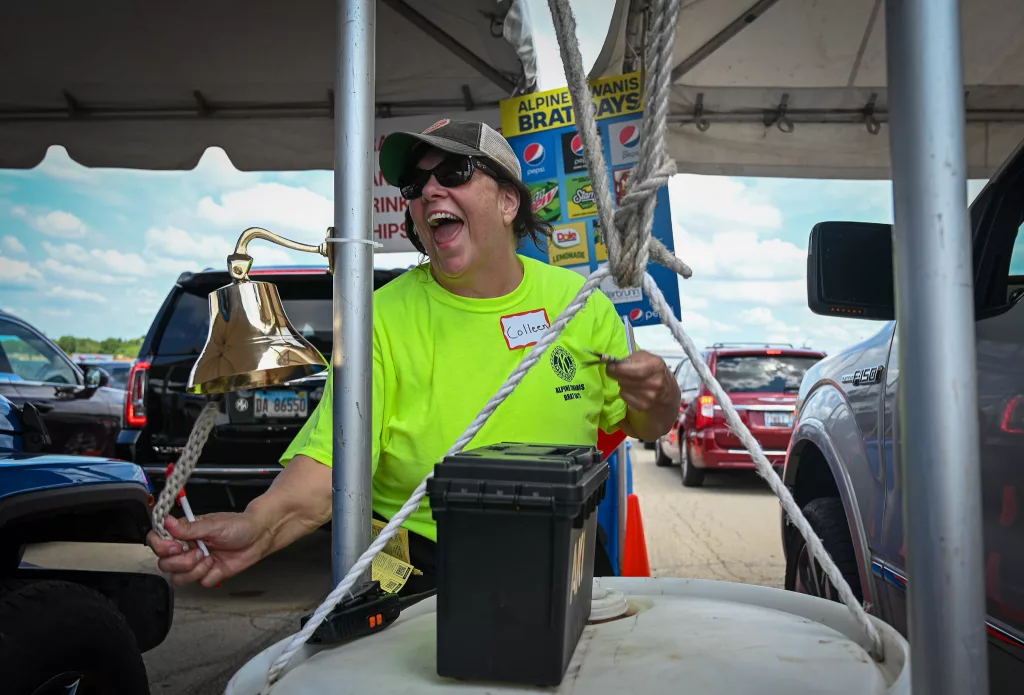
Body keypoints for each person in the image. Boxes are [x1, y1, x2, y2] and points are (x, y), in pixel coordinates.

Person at [148, 119, 681, 590]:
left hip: (566, 548)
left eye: (455, 172)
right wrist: (257, 527)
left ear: (508, 201)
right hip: (419, 564)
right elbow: (328, 470)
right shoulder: (378, 318)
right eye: (414, 183)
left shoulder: (581, 303)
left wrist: (660, 394)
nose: (429, 190)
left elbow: (650, 425)